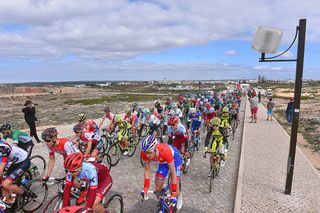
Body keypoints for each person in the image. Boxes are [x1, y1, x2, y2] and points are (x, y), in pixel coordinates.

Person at [140, 135, 183, 209]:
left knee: (175, 189)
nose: (147, 155)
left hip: (174, 159)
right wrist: (146, 187)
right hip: (163, 162)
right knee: (157, 188)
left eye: (149, 152)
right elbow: (147, 170)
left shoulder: (165, 151)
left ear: (155, 149)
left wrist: (173, 194)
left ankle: (179, 196)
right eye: (145, 152)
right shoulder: (144, 152)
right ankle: (162, 204)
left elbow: (173, 173)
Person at [0, 140, 32, 205]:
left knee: (5, 184)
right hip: (14, 163)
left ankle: (26, 194)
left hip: (24, 161)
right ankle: (9, 203)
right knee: (2, 185)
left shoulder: (4, 148)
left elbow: (2, 167)